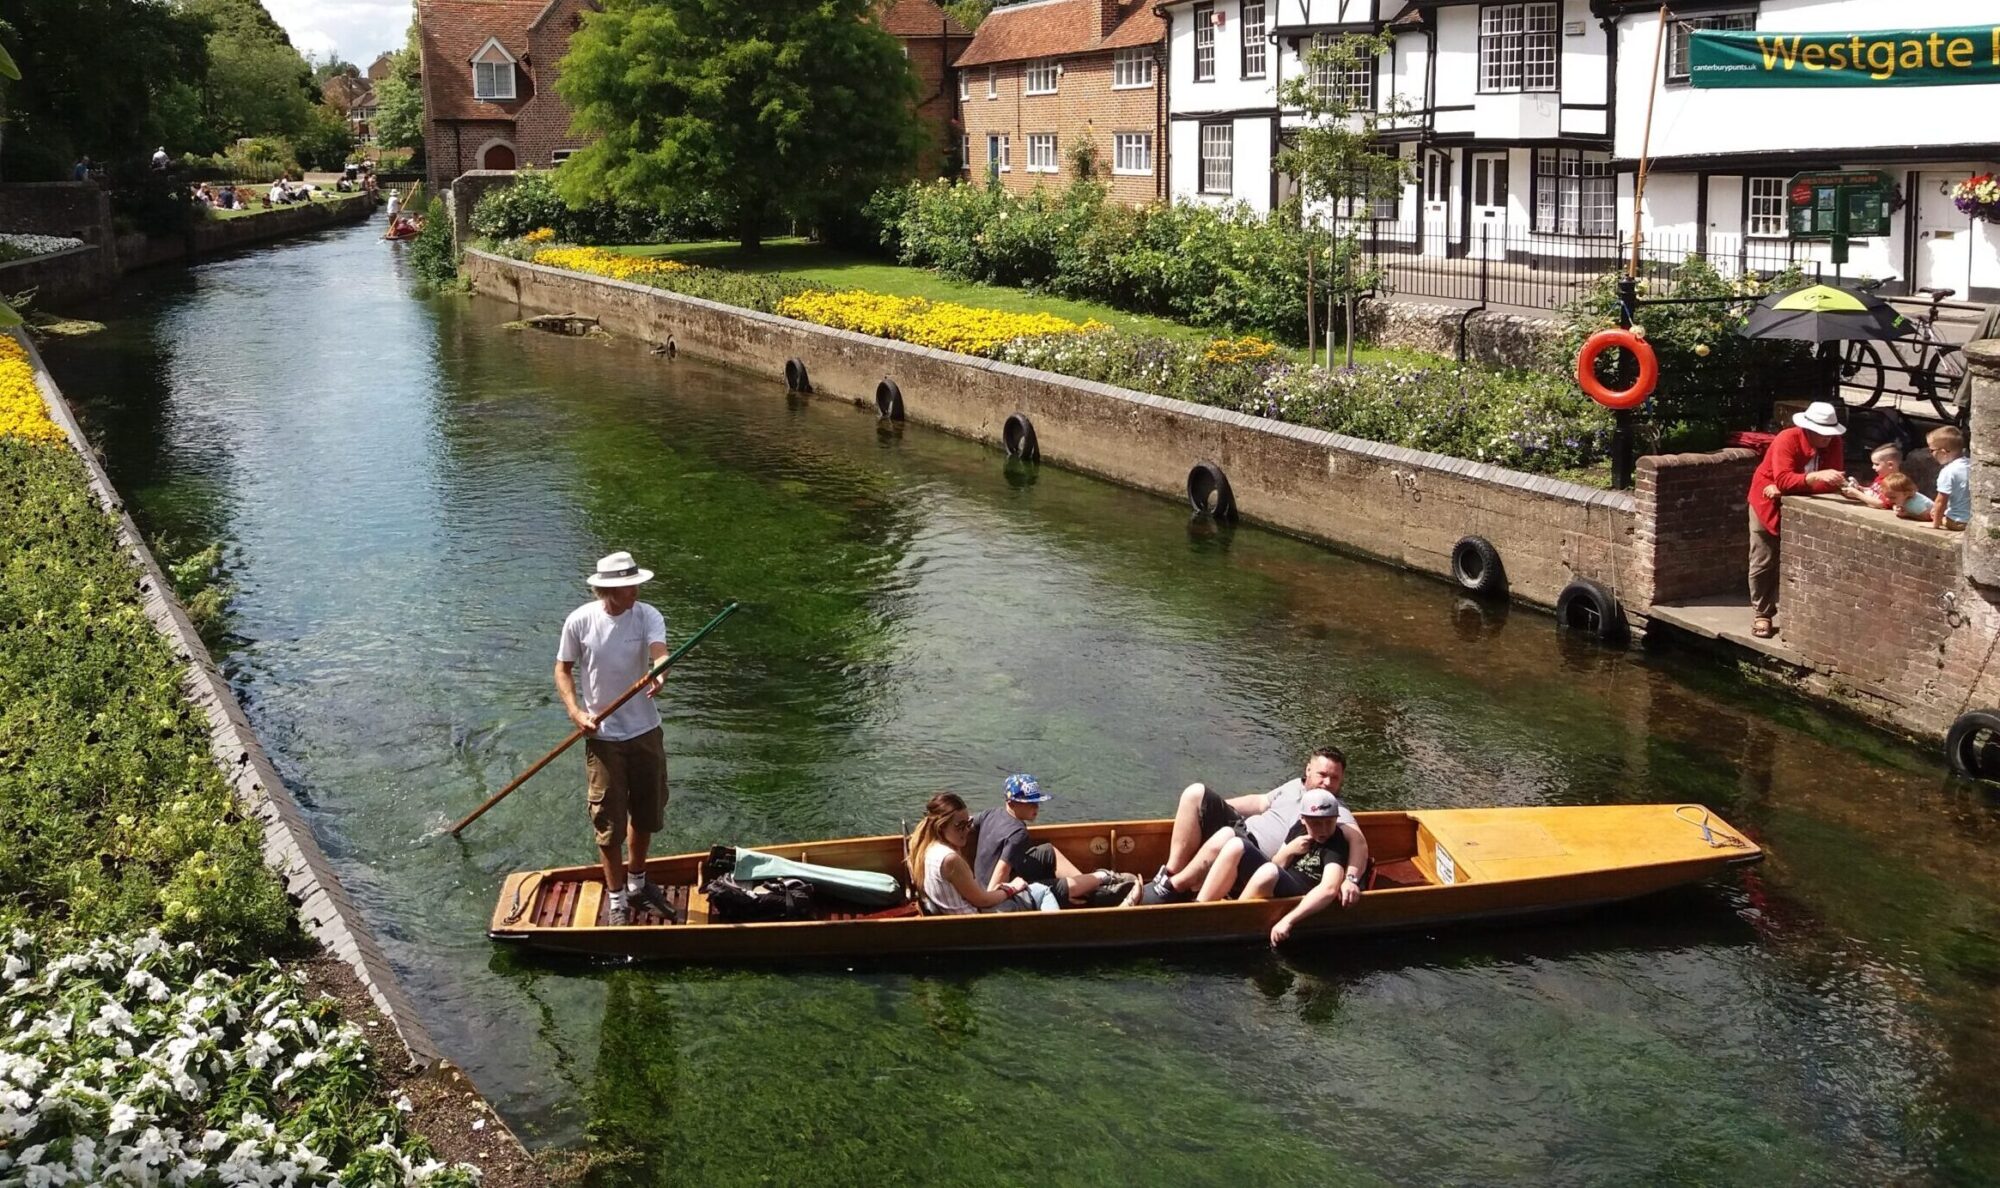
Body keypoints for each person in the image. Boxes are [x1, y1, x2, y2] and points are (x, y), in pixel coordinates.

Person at [555, 551, 671, 926]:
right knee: (608, 821)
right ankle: (617, 899)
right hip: (603, 736)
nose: (634, 590)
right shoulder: (580, 621)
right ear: (606, 589)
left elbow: (659, 652)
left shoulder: (648, 614)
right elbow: (563, 669)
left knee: (648, 811)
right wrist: (576, 713)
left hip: (645, 731)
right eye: (626, 586)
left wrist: (659, 671)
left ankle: (638, 882)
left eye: (635, 584)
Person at [1142, 747, 1357, 904]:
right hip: (1244, 830)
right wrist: (1214, 807)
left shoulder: (1333, 808)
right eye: (1322, 775)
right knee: (1195, 794)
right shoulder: (1294, 786)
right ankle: (1171, 873)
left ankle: (1178, 891)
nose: (1327, 783)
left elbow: (1358, 842)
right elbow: (1261, 802)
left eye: (1334, 778)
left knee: (1229, 837)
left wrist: (1350, 879)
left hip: (1255, 856)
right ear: (1308, 770)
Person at [1747, 400, 1847, 638]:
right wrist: (1811, 479)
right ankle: (1763, 613)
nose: (1828, 439)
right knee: (1764, 559)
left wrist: (1794, 486)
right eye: (1823, 434)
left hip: (1800, 500)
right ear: (1808, 429)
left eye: (1831, 434)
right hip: (1766, 503)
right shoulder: (1787, 439)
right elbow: (1783, 479)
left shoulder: (1835, 443)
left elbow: (1832, 482)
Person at [970, 774, 1123, 908]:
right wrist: (992, 898)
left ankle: (1090, 892)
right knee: (1058, 887)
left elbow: (968, 822)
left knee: (1048, 851)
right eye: (1030, 803)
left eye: (1037, 802)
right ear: (1011, 803)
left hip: (981, 882)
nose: (1036, 807)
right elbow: (1000, 874)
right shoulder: (1018, 833)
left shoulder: (990, 814)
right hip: (998, 893)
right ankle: (1103, 878)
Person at [1241, 789, 1370, 945]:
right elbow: (1277, 863)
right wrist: (1290, 850)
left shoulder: (1335, 843)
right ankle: (1205, 902)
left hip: (1302, 894)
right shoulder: (1298, 829)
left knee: (1268, 871)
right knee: (1237, 845)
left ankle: (1234, 918)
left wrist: (1288, 920)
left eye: (1329, 822)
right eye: (1315, 823)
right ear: (1303, 819)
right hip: (1282, 880)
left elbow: (1329, 888)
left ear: (1336, 819)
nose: (1323, 830)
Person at [907, 793, 1060, 914]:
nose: (967, 830)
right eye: (960, 826)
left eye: (968, 823)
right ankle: (1058, 938)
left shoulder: (923, 848)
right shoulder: (950, 859)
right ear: (941, 827)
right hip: (978, 920)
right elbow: (983, 901)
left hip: (962, 913)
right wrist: (1012, 887)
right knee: (1042, 891)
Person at [1929, 425, 1970, 531]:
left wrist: (1935, 524)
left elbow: (1940, 502)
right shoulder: (1970, 464)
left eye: (1931, 450)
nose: (1931, 454)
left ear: (1943, 452)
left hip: (1957, 521)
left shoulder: (1948, 471)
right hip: (1972, 521)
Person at [1839, 443, 1903, 509]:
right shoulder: (1881, 477)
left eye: (1876, 464)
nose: (1873, 467)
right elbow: (1874, 492)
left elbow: (1881, 503)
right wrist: (1861, 489)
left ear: (1890, 465)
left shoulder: (1894, 483)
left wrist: (1857, 494)